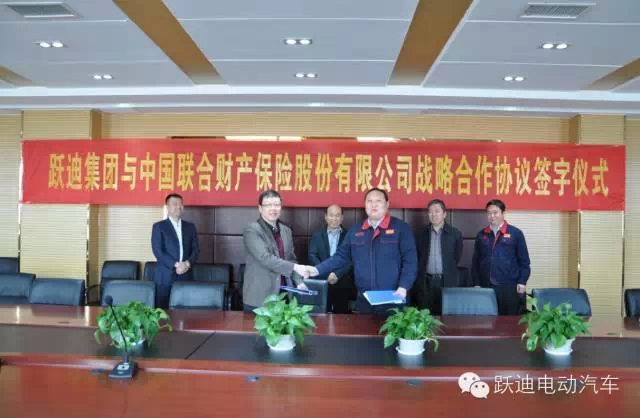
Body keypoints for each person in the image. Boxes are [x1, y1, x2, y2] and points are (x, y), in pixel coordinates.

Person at [308, 188, 417, 315]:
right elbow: (340, 257)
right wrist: (317, 270)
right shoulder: (356, 230)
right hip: (365, 300)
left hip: (394, 297)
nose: (374, 205)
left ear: (387, 204)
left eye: (378, 201)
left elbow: (410, 262)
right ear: (365, 205)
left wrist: (404, 287)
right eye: (369, 201)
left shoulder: (401, 228)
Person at [242, 190, 309, 312]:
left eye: (277, 205)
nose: (273, 208)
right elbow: (265, 258)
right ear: (260, 208)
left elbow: (291, 259)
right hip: (259, 298)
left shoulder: (286, 230)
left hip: (284, 296)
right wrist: (295, 267)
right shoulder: (252, 230)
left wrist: (299, 282)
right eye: (268, 205)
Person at [471, 199, 531, 315]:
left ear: (503, 213)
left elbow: (524, 262)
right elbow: (475, 262)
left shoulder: (516, 233)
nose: (492, 216)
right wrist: (476, 283)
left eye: (495, 213)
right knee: (487, 321)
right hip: (486, 287)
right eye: (489, 213)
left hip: (509, 287)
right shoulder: (481, 235)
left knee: (510, 321)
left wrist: (522, 281)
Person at [413, 199, 463, 314]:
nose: (433, 214)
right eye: (430, 212)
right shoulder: (421, 233)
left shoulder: (454, 233)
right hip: (425, 282)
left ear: (444, 214)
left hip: (447, 281)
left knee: (447, 316)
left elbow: (457, 256)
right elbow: (418, 256)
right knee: (426, 316)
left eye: (437, 211)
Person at [151, 193, 199, 309]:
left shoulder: (190, 227)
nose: (178, 206)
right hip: (166, 275)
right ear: (167, 207)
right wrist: (176, 264)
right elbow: (158, 251)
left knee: (185, 309)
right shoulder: (159, 226)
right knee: (163, 310)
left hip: (186, 274)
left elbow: (196, 250)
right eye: (175, 204)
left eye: (181, 204)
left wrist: (186, 264)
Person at [308, 204, 355, 314]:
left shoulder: (349, 235)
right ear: (326, 217)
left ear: (342, 218)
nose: (334, 218)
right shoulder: (317, 236)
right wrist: (326, 274)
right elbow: (312, 256)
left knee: (342, 316)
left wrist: (337, 274)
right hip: (322, 281)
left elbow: (352, 258)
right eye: (331, 215)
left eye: (337, 215)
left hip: (343, 281)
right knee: (321, 316)